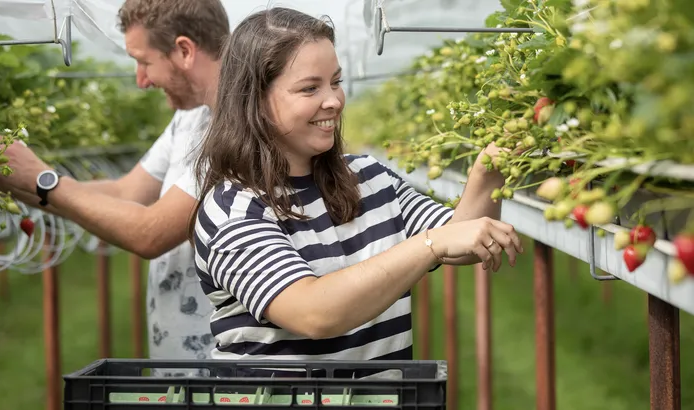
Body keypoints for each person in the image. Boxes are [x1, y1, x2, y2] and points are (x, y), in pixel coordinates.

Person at [189, 7, 523, 363]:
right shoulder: (232, 209)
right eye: (310, 88)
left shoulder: (368, 179)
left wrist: (488, 172)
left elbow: (464, 240)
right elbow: (314, 314)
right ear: (255, 101)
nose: (333, 100)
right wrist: (429, 244)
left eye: (335, 81)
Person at [0, 0, 230, 370]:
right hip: (184, 365)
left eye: (144, 61)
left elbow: (151, 232)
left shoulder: (236, 128)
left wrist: (43, 180)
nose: (141, 80)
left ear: (185, 50)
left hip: (225, 375)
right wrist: (15, 178)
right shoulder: (190, 119)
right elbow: (125, 193)